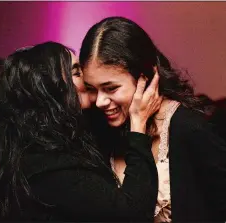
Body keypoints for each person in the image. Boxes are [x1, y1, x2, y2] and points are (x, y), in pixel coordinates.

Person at [0, 42, 161, 222]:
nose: (86, 80)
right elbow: (132, 213)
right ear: (51, 90)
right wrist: (139, 123)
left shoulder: (40, 147)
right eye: (77, 72)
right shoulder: (50, 167)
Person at [79, 16, 226, 222]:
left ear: (144, 77)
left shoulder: (187, 128)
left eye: (111, 88)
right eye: (92, 89)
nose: (100, 101)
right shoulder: (98, 131)